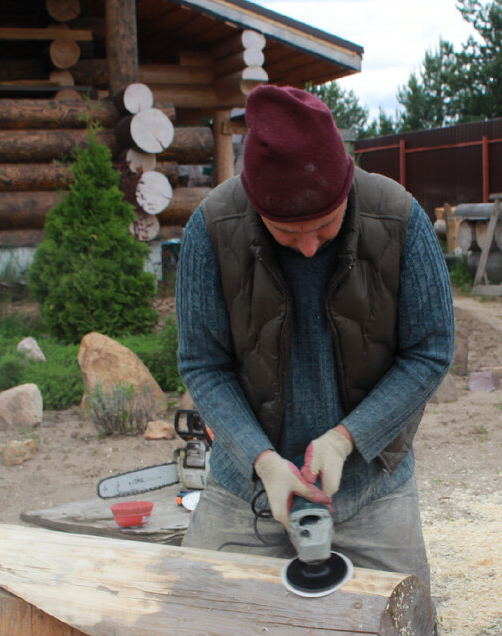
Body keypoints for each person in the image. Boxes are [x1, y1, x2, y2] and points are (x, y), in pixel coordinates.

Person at [175, 85, 454, 590]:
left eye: (324, 227)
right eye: (286, 232)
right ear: (255, 205)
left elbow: (429, 352)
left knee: (402, 634)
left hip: (373, 482)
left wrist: (346, 441)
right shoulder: (212, 227)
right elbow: (202, 364)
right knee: (198, 625)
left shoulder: (399, 217)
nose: (307, 248)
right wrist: (261, 462)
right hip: (248, 488)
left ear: (346, 188)